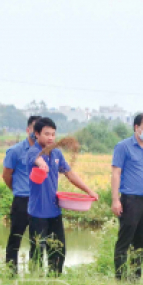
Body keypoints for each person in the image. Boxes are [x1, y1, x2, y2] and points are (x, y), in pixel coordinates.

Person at [26, 117, 98, 275]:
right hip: (37, 212)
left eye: (53, 134)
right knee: (37, 250)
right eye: (46, 134)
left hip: (54, 211)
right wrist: (41, 164)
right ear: (37, 134)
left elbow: (70, 174)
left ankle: (54, 280)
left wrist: (88, 191)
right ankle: (34, 282)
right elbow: (36, 158)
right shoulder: (33, 151)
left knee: (58, 249)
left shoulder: (57, 153)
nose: (51, 138)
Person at [111, 113, 143, 280]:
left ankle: (135, 277)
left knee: (141, 240)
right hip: (130, 200)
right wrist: (115, 199)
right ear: (137, 127)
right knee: (125, 239)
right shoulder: (123, 146)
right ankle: (120, 278)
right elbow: (116, 173)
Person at [2, 115, 41, 271]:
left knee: (37, 240)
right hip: (22, 201)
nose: (37, 133)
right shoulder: (15, 151)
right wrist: (17, 190)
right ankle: (11, 273)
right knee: (15, 238)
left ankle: (35, 272)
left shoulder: (46, 152)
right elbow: (6, 175)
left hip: (39, 202)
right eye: (34, 129)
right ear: (28, 130)